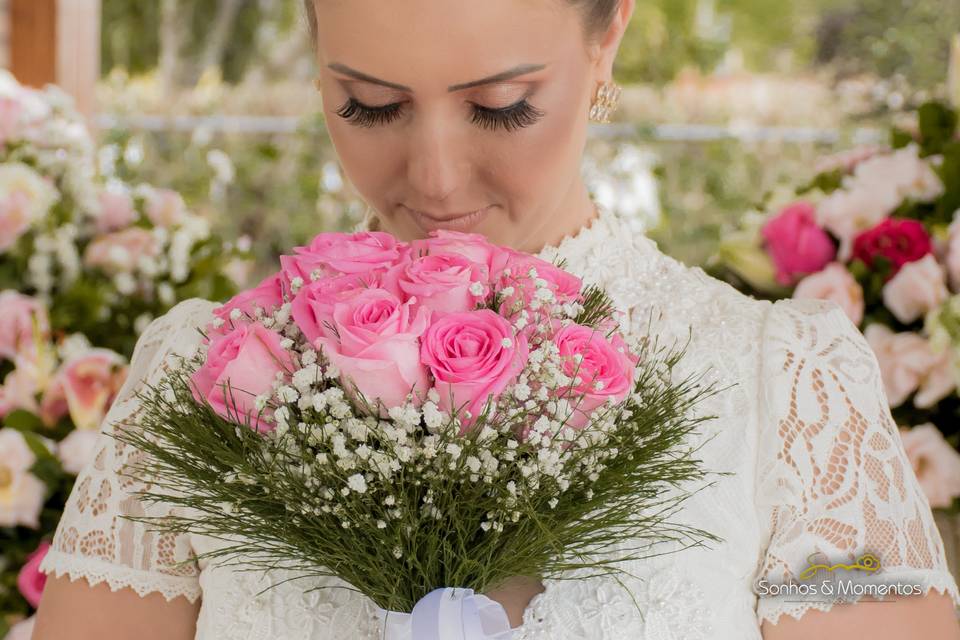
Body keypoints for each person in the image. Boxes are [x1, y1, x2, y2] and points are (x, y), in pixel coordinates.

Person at [31, 1, 960, 638]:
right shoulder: (207, 376)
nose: (434, 181)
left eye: (503, 107)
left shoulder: (785, 386)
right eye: (371, 104)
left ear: (607, 42)